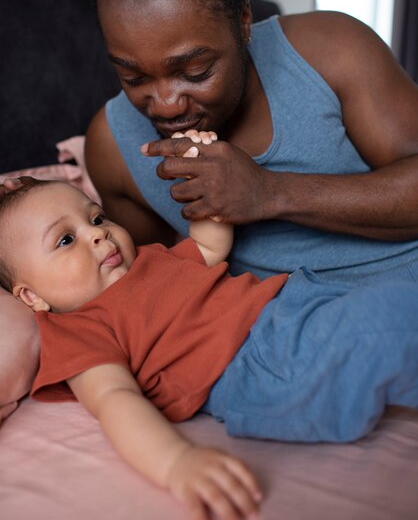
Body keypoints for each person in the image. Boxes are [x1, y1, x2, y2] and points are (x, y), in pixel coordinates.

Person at [1, 173, 418, 519]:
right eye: (65, 240)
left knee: (396, 298)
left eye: (96, 218)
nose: (98, 235)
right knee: (388, 324)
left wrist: (202, 182)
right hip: (262, 362)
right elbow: (114, 400)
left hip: (295, 302)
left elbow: (210, 246)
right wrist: (175, 463)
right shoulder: (77, 331)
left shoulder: (147, 260)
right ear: (31, 297)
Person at [76, 0, 418, 284]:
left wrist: (270, 191)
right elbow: (156, 288)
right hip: (288, 332)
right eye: (134, 78)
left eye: (196, 71)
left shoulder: (333, 49)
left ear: (242, 20)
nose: (167, 106)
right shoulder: (112, 150)